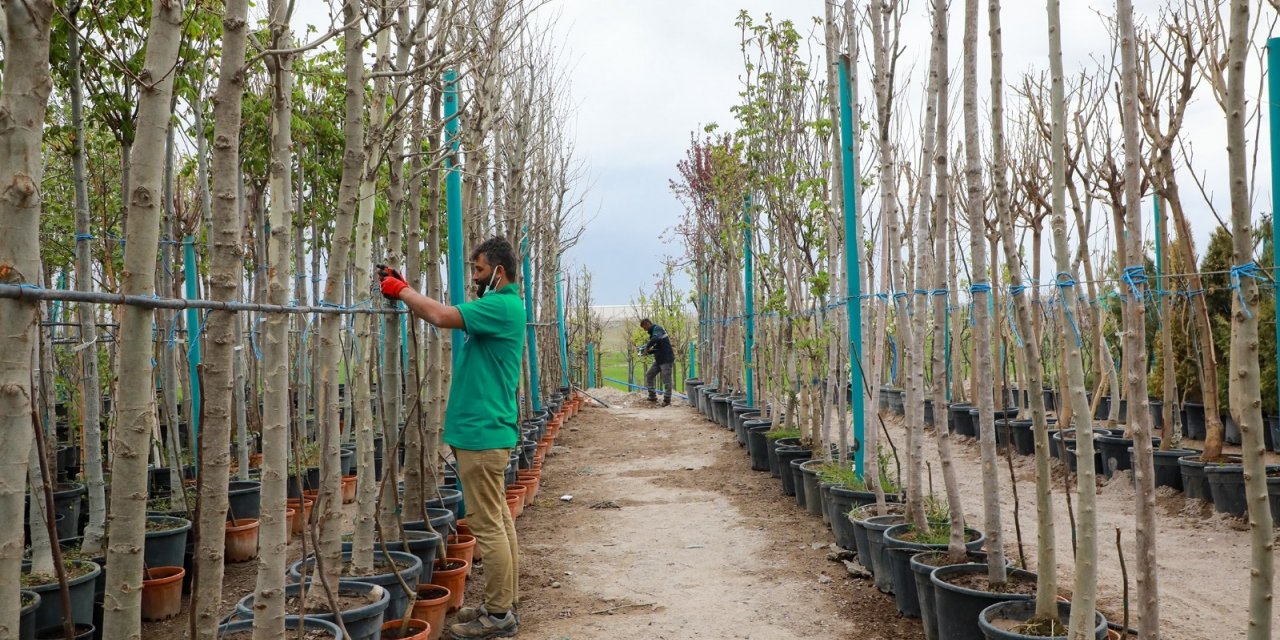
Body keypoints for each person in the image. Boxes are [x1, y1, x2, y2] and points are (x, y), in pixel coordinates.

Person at [378, 236, 524, 639]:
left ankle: (497, 617)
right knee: (498, 521)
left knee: (486, 523)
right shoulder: (505, 307)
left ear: (499, 271)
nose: (475, 279)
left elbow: (441, 317)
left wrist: (401, 290)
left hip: (482, 434)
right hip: (486, 430)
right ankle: (503, 604)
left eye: (478, 271)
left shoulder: (500, 305)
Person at [638, 318, 674, 406]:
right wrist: (647, 352)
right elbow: (657, 347)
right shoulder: (654, 333)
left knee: (666, 380)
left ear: (647, 324)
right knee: (649, 375)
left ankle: (667, 400)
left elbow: (655, 339)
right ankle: (652, 396)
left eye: (644, 328)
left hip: (666, 359)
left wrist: (647, 347)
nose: (645, 330)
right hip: (659, 359)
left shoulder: (658, 329)